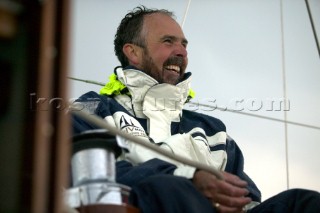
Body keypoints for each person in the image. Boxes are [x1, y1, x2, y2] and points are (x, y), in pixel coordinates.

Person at [72, 6, 320, 213]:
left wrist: (233, 202)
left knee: (303, 203)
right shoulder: (92, 110)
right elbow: (85, 173)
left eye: (183, 44)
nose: (181, 52)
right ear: (133, 52)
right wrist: (189, 178)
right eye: (168, 42)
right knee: (171, 189)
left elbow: (247, 198)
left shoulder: (215, 132)